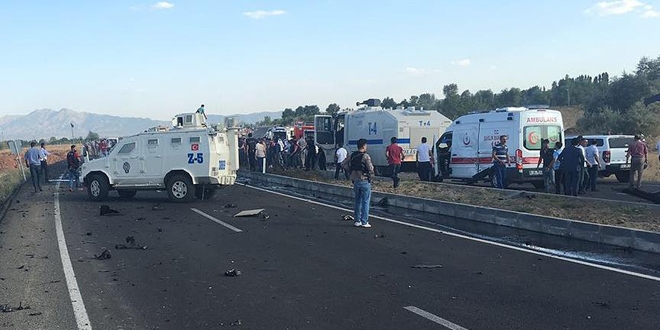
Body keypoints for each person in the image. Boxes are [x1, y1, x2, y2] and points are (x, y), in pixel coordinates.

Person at [341, 138, 374, 228]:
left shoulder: (352, 155)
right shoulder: (366, 156)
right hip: (364, 180)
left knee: (357, 201)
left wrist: (351, 170)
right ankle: (364, 221)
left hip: (355, 180)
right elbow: (371, 168)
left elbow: (343, 164)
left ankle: (357, 220)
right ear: (363, 146)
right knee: (365, 201)